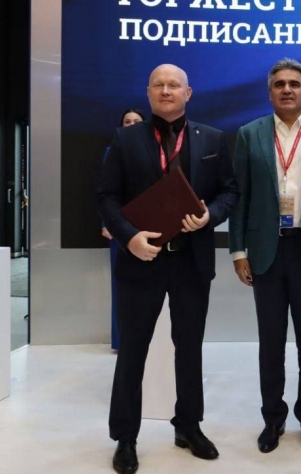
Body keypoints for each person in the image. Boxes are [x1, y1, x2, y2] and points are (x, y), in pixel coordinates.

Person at [98, 64, 238, 474]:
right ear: (148, 92)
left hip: (191, 261)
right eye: (158, 84)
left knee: (189, 348)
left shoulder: (213, 138)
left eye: (173, 85)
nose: (165, 90)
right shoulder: (125, 139)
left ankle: (188, 427)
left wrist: (210, 215)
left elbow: (230, 191)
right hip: (141, 259)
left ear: (187, 93)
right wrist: (129, 237)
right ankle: (125, 437)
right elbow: (106, 196)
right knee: (132, 351)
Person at [229, 58, 301, 454]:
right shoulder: (249, 134)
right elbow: (240, 196)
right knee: (271, 342)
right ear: (269, 93)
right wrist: (238, 250)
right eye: (279, 84)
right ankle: (272, 418)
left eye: (294, 84)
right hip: (265, 250)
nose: (286, 89)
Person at [101, 108, 145, 351]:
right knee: (121, 286)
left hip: (151, 227)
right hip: (119, 228)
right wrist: (107, 223)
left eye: (136, 121)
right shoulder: (112, 152)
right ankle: (122, 341)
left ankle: (149, 340)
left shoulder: (158, 150)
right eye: (127, 121)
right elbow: (105, 192)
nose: (132, 124)